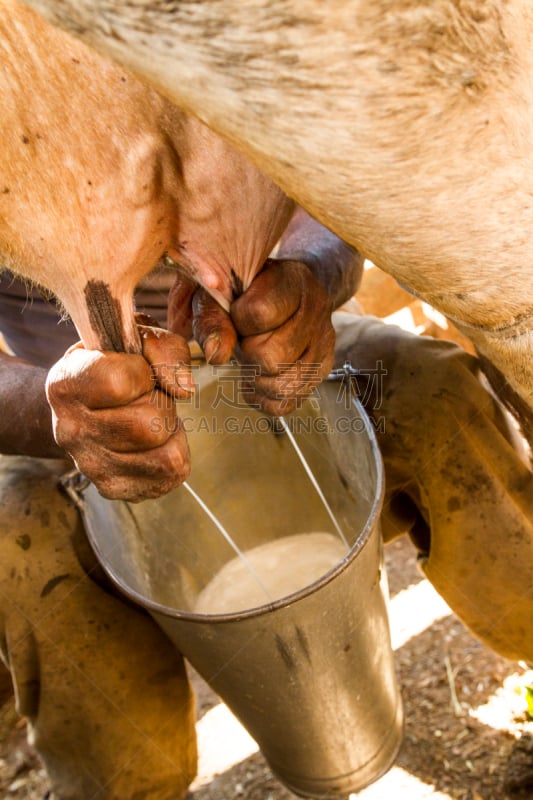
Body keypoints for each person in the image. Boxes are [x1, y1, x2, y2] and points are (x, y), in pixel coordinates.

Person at [1, 208, 533, 799]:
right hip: (63, 405)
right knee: (16, 548)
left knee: (436, 395)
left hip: (263, 351)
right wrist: (46, 410)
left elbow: (328, 194)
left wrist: (309, 276)